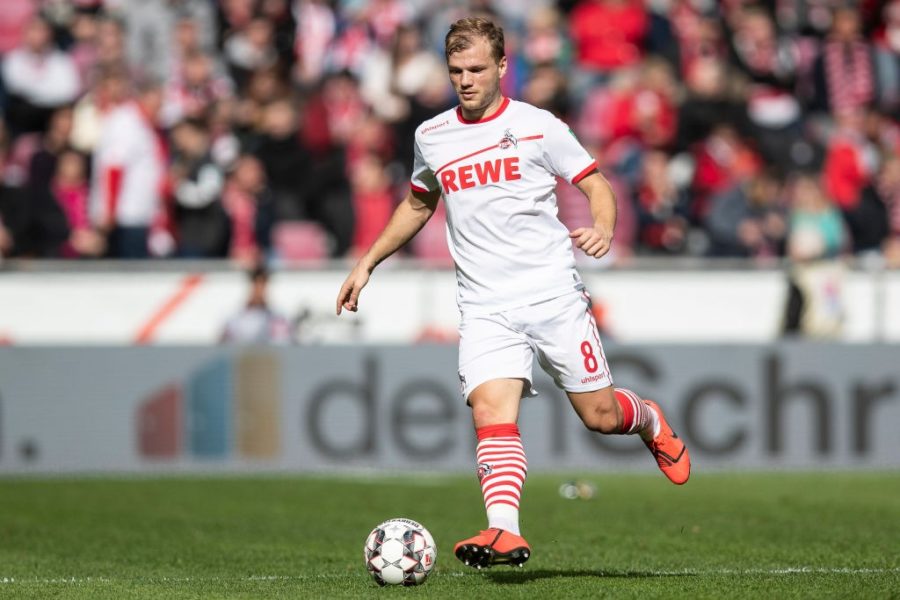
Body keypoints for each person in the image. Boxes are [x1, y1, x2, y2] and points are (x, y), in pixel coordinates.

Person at [335, 17, 690, 569]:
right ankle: (504, 530)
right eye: (456, 71)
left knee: (600, 416)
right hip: (484, 304)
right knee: (489, 409)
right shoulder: (432, 135)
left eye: (476, 69)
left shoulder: (538, 125)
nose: (466, 80)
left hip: (552, 295)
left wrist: (602, 227)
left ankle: (646, 418)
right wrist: (367, 263)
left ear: (502, 66)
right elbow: (418, 202)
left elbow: (595, 184)